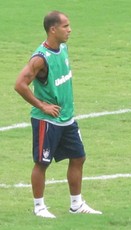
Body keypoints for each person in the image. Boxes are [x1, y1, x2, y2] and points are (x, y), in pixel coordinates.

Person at [14, 10, 102, 218]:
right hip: (47, 120)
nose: (70, 30)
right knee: (42, 163)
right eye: (65, 26)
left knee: (79, 157)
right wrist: (42, 106)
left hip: (67, 118)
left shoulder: (63, 48)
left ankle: (76, 204)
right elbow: (20, 85)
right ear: (53, 29)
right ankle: (39, 207)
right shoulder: (40, 59)